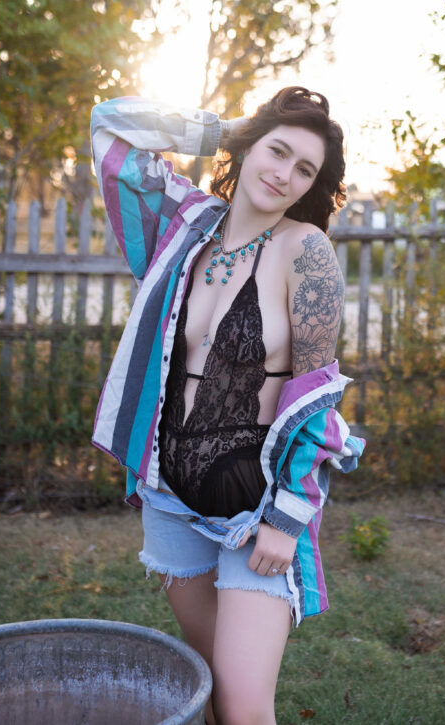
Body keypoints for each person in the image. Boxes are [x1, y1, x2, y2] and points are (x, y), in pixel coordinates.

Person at [89, 87, 365, 724]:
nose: (285, 174)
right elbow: (108, 126)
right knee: (208, 690)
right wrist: (227, 130)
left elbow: (317, 396)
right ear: (249, 145)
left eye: (305, 170)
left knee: (243, 706)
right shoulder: (182, 229)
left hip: (254, 510)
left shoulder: (306, 252)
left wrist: (288, 516)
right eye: (277, 150)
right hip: (169, 498)